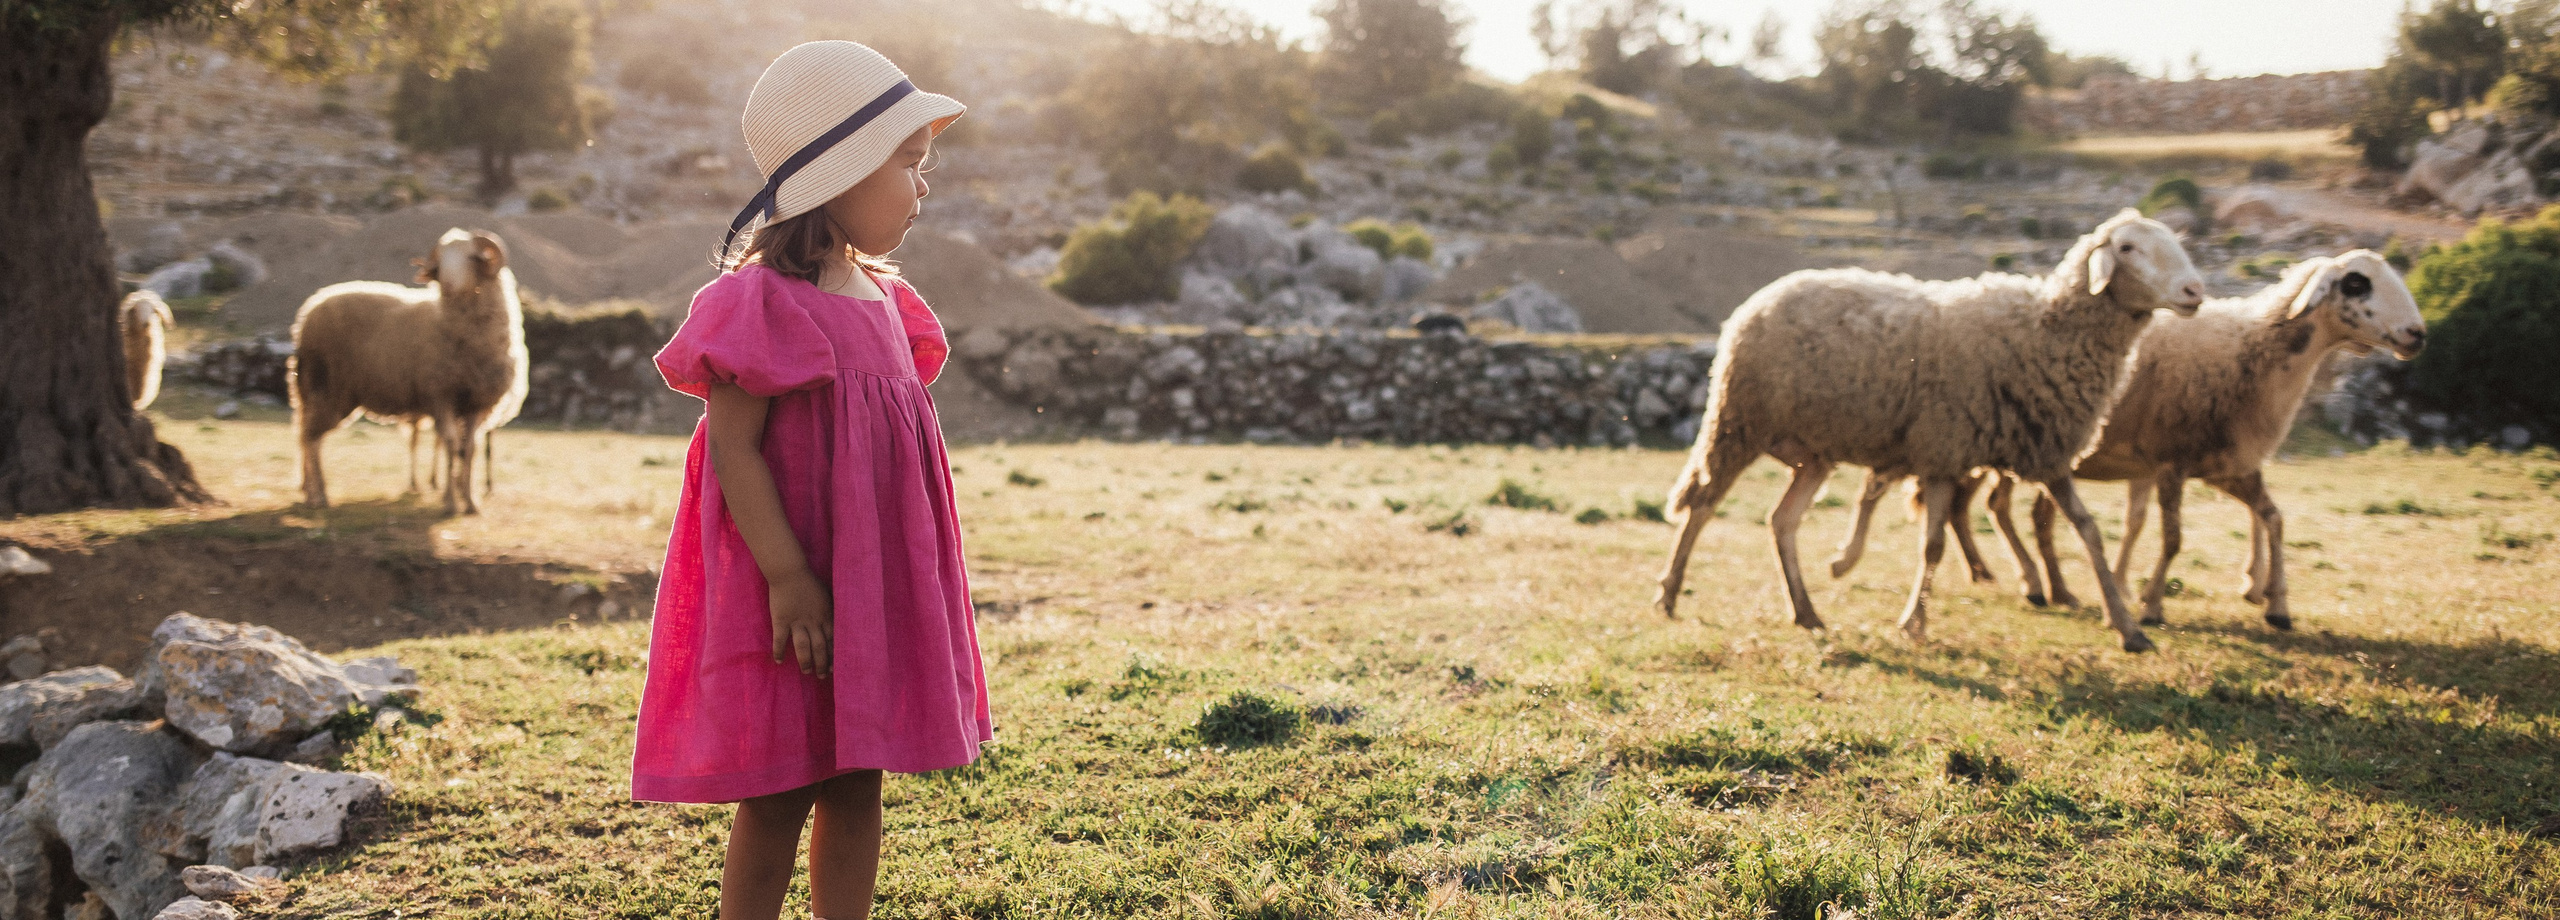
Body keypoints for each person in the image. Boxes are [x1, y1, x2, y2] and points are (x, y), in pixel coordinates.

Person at [630, 41, 988, 920]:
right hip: (794, 588)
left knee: (859, 779)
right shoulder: (761, 303)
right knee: (782, 789)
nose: (922, 185)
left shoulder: (891, 304)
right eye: (909, 163)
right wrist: (790, 578)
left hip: (869, 587)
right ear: (844, 171)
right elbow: (732, 449)